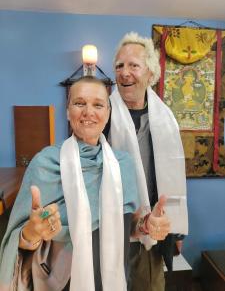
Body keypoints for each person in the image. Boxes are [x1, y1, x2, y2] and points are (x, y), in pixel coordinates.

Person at [0, 76, 170, 291]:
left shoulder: (123, 164)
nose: (89, 112)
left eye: (98, 105)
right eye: (79, 103)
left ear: (108, 114)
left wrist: (147, 225)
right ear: (68, 111)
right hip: (60, 281)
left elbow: (128, 225)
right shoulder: (45, 163)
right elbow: (17, 241)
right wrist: (32, 232)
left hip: (113, 276)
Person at [105, 32, 189, 291]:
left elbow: (174, 176)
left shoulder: (165, 120)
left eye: (133, 65)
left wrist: (176, 230)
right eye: (119, 65)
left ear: (150, 74)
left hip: (152, 227)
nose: (124, 72)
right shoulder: (101, 114)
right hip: (111, 227)